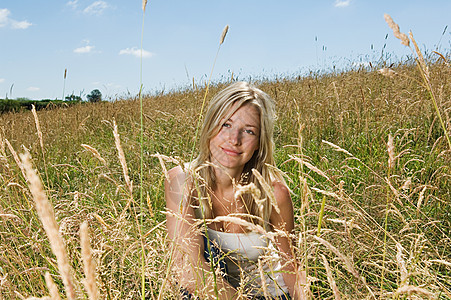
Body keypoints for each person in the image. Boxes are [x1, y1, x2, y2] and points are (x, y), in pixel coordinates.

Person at [165, 81, 306, 299]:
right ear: (210, 127)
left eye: (248, 131)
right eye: (226, 125)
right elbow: (188, 272)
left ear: (259, 142)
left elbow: (291, 265)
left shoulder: (273, 193)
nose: (234, 140)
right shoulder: (182, 180)